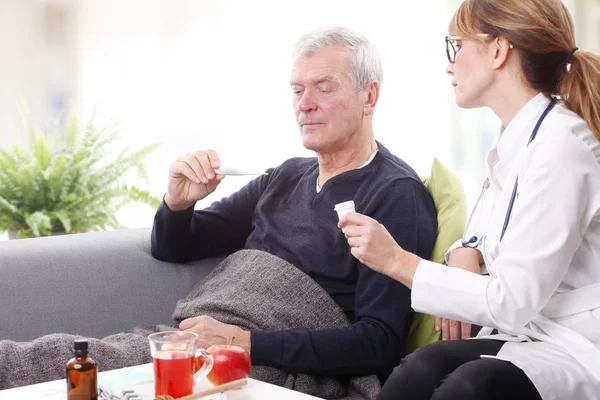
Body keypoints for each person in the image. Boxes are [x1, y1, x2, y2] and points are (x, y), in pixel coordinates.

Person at [338, 0, 600, 399]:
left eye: (456, 46)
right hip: (535, 330)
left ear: (498, 51)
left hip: (577, 342)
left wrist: (398, 262)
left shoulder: (561, 147)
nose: (449, 64)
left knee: (470, 388)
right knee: (419, 367)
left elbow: (512, 300)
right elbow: (485, 234)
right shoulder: (517, 139)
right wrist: (463, 251)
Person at [150, 26, 437, 382]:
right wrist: (177, 203)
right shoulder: (284, 177)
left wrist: (244, 342)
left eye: (324, 87)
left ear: (370, 96)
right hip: (200, 343)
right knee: (74, 358)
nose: (305, 104)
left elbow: (379, 343)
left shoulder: (395, 194)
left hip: (270, 367)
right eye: (298, 90)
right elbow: (173, 248)